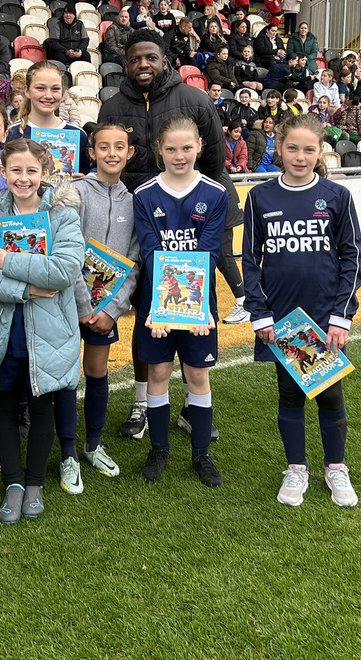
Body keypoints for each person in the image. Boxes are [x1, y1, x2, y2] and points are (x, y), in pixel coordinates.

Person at [98, 30, 227, 438]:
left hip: (191, 217)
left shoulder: (195, 99)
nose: (143, 65)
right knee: (147, 316)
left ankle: (192, 406)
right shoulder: (114, 105)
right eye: (135, 59)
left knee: (192, 320)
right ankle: (141, 403)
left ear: (164, 59)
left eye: (150, 57)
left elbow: (215, 159)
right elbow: (108, 153)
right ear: (126, 62)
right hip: (143, 223)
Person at [242, 112, 361, 508]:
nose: (299, 156)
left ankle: (336, 468)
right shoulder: (261, 197)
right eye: (292, 148)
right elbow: (250, 259)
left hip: (324, 317)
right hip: (282, 320)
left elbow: (352, 257)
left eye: (308, 149)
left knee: (329, 394)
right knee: (290, 394)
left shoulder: (336, 196)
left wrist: (341, 315)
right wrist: (260, 314)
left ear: (320, 151)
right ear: (279, 148)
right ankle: (296, 468)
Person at [0, 138, 84, 523]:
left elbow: (65, 271)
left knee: (42, 409)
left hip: (51, 333)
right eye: (15, 171)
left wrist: (10, 260)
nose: (23, 178)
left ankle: (35, 482)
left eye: (31, 171)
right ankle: (13, 483)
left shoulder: (63, 215)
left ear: (44, 173)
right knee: (3, 408)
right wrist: (30, 287)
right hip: (3, 332)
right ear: (3, 173)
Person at [132, 116, 226, 487]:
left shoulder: (215, 194)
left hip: (198, 300)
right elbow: (151, 251)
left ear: (199, 146)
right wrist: (160, 306)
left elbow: (208, 251)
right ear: (159, 150)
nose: (179, 155)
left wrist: (197, 306)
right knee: (157, 373)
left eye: (186, 147)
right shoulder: (145, 195)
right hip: (158, 300)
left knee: (196, 374)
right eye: (171, 148)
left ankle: (201, 453)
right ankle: (159, 449)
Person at [59, 123, 139, 486]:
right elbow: (66, 252)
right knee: (63, 376)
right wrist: (81, 306)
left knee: (96, 372)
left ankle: (92, 445)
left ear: (129, 153)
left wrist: (112, 309)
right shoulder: (75, 192)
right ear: (91, 153)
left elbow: (134, 262)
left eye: (118, 146)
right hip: (66, 305)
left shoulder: (134, 201)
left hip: (105, 311)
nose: (111, 153)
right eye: (103, 146)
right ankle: (68, 454)